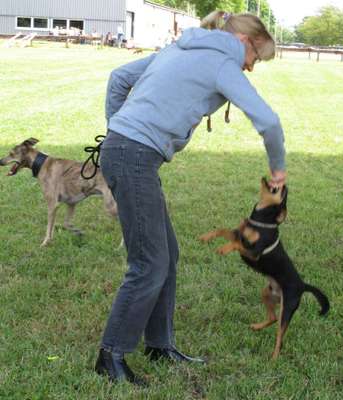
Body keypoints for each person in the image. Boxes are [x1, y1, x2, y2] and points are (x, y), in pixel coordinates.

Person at [95, 10, 287, 386]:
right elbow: (268, 121)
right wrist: (278, 170)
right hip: (133, 155)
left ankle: (159, 344)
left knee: (166, 254)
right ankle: (111, 356)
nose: (250, 69)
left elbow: (119, 79)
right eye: (255, 59)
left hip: (128, 152)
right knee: (148, 263)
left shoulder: (178, 48)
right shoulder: (222, 63)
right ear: (244, 42)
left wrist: (116, 128)